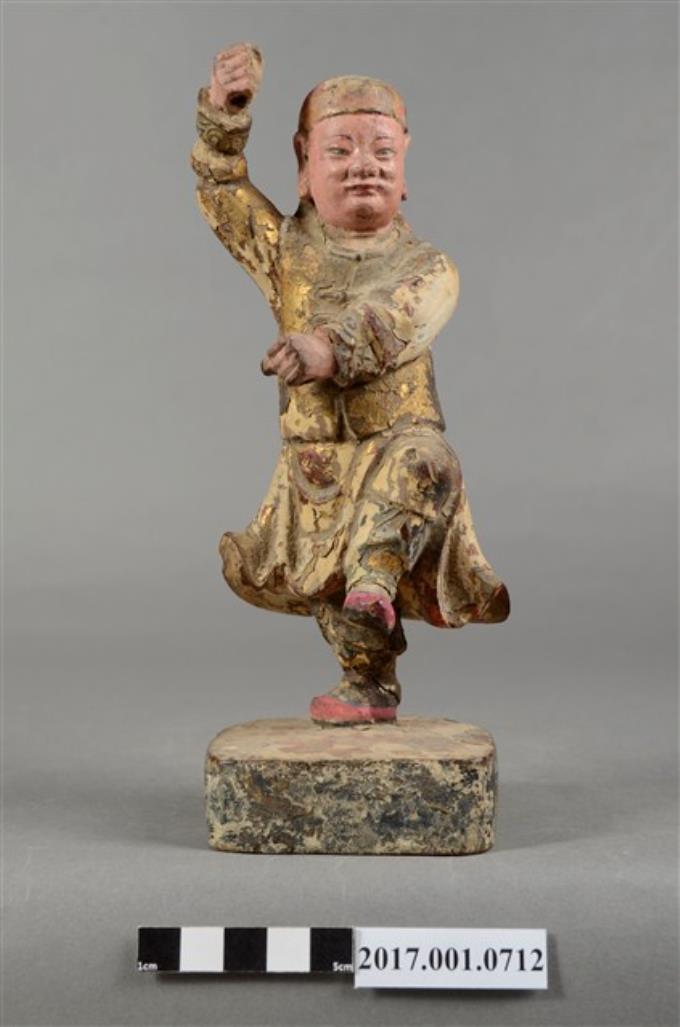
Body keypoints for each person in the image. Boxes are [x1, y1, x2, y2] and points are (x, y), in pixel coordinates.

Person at [191, 43, 509, 725]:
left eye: (382, 151)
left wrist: (326, 348)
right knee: (332, 588)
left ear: (405, 169)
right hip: (317, 466)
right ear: (303, 167)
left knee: (420, 471)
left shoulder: (429, 267)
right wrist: (225, 116)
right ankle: (367, 682)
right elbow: (222, 197)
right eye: (339, 150)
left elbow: (400, 318)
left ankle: (373, 592)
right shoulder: (288, 253)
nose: (364, 164)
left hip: (401, 442)